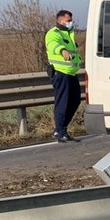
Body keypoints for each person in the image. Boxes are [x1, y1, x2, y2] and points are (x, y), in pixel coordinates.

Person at [45, 10, 82, 143]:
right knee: (63, 103)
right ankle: (61, 132)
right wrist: (62, 50)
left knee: (75, 100)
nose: (70, 22)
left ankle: (60, 128)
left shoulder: (68, 33)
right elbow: (53, 45)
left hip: (70, 72)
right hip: (61, 73)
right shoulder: (54, 33)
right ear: (60, 21)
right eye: (68, 20)